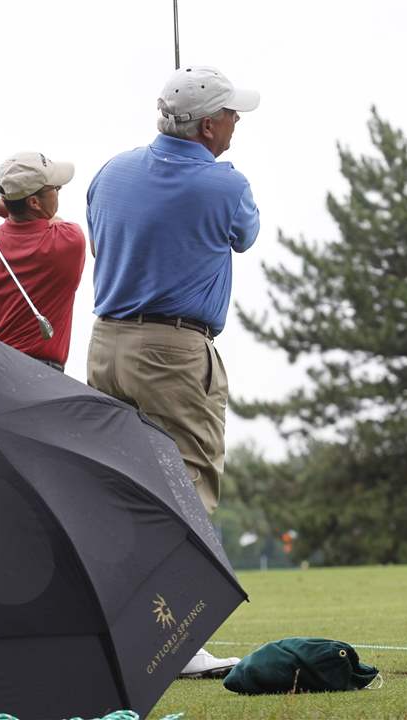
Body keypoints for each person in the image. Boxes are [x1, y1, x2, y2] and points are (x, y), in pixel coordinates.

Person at [85, 65, 261, 678]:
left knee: (118, 492)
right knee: (184, 493)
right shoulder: (223, 183)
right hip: (174, 352)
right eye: (232, 113)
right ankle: (174, 640)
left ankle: (107, 631)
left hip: (106, 347)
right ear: (209, 124)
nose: (238, 121)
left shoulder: (111, 172)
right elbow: (246, 235)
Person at [0, 152, 87, 372]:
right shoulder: (68, 240)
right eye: (55, 188)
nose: (59, 191)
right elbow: (48, 221)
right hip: (43, 376)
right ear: (34, 202)